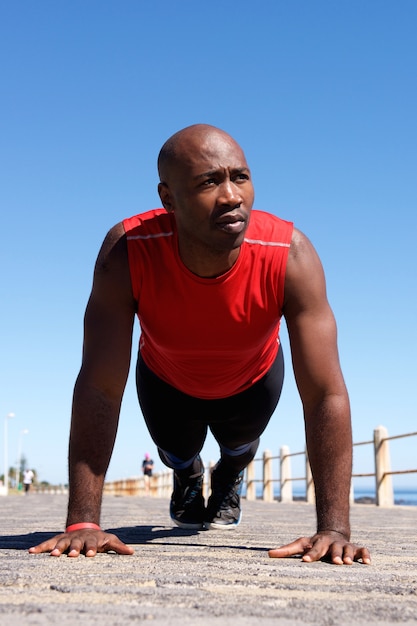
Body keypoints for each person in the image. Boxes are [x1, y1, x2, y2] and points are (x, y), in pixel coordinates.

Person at [29, 123, 370, 565]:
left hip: (253, 379)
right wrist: (83, 524)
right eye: (209, 181)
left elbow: (326, 392)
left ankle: (229, 474)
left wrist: (334, 529)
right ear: (168, 198)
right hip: (166, 382)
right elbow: (99, 385)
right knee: (177, 451)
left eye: (240, 177)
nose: (231, 196)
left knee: (238, 447)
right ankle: (187, 474)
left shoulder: (290, 254)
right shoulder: (128, 250)